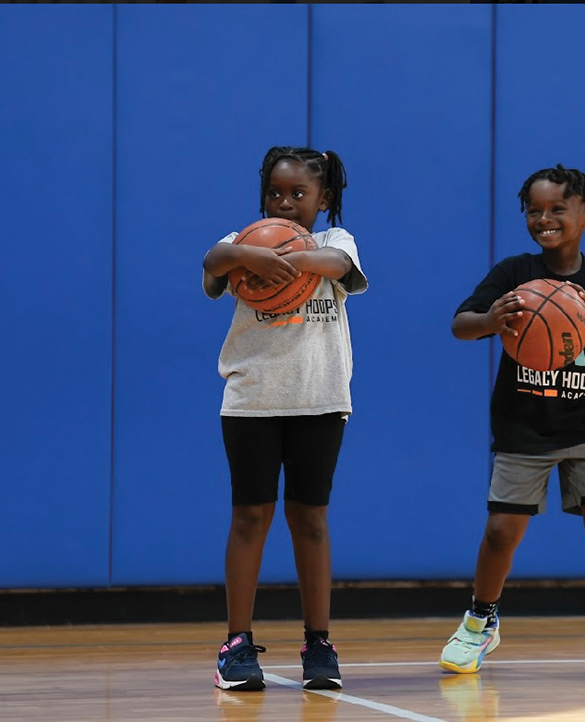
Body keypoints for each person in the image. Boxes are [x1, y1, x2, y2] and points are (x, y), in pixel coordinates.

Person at [439, 164, 585, 681]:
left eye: (557, 209)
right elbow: (461, 326)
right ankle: (480, 621)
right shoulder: (513, 274)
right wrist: (491, 320)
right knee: (502, 531)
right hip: (525, 427)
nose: (543, 219)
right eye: (534, 210)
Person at [202, 146, 367, 692]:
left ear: (324, 199)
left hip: (319, 399)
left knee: (311, 520)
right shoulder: (243, 240)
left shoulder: (334, 241)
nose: (286, 202)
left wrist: (284, 261)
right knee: (250, 518)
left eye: (300, 194)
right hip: (252, 401)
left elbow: (339, 268)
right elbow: (211, 263)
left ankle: (319, 644)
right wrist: (244, 255)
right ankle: (236, 646)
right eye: (276, 192)